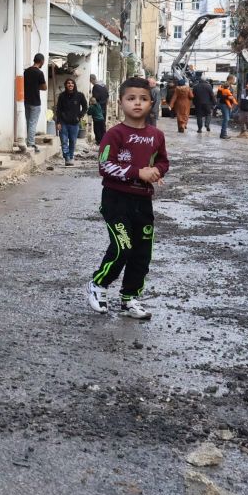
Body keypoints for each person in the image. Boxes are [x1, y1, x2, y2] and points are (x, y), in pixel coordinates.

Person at [87, 77, 169, 321]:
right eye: (131, 98)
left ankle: (130, 298)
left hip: (143, 201)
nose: (137, 103)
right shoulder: (115, 134)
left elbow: (163, 161)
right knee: (122, 247)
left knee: (142, 252)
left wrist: (157, 172)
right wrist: (137, 172)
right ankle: (98, 285)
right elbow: (104, 165)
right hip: (116, 200)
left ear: (151, 103)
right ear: (120, 102)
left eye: (143, 99)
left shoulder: (156, 135)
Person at [54, 77, 87, 166]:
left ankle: (71, 157)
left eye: (72, 83)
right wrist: (58, 122)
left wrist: (79, 116)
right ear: (66, 85)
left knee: (72, 141)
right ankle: (67, 158)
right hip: (63, 122)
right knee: (64, 141)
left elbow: (85, 107)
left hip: (74, 123)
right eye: (68, 83)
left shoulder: (80, 95)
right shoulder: (62, 96)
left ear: (74, 85)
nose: (70, 84)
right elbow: (58, 110)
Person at [23, 54, 46, 153]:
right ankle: (31, 143)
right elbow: (44, 88)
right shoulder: (39, 73)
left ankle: (28, 141)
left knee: (28, 122)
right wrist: (37, 86)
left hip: (26, 100)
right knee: (33, 123)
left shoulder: (26, 71)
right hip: (35, 102)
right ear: (41, 61)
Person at [89, 74, 109, 143]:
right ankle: (104, 140)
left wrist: (91, 104)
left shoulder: (95, 87)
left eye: (90, 81)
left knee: (97, 126)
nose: (90, 83)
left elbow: (95, 98)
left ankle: (99, 141)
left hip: (97, 109)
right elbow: (107, 96)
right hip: (104, 108)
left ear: (92, 79)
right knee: (103, 124)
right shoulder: (104, 86)